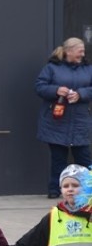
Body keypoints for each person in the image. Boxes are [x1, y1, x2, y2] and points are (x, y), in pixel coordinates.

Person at [35, 37, 92, 198]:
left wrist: (81, 94)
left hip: (80, 120)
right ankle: (55, 189)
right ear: (68, 51)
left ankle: (88, 190)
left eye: (83, 51)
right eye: (79, 50)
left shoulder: (88, 69)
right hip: (56, 121)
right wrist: (56, 90)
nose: (82, 54)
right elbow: (39, 86)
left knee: (84, 157)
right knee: (58, 158)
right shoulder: (52, 68)